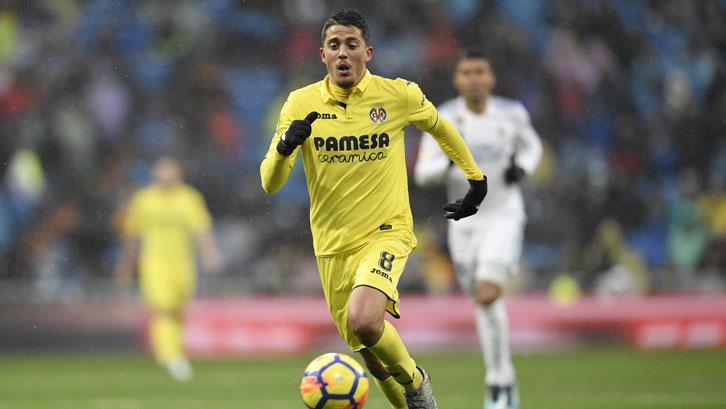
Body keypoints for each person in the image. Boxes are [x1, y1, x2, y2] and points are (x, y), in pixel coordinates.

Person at [260, 10, 487, 409]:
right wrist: (284, 148)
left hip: (387, 231)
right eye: (334, 46)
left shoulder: (397, 95)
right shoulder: (300, 103)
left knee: (365, 322)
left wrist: (476, 179)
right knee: (370, 351)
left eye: (351, 45)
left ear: (368, 52)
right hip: (332, 246)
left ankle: (417, 382)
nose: (343, 53)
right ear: (322, 55)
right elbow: (270, 182)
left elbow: (440, 125)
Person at [414, 50, 542, 409]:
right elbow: (423, 172)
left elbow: (533, 148)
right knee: (483, 302)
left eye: (479, 71)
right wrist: (447, 165)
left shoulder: (512, 114)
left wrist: (523, 168)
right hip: (464, 223)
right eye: (466, 72)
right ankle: (503, 381)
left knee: (487, 292)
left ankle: (497, 382)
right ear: (457, 80)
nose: (473, 78)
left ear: (491, 79)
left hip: (504, 215)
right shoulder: (443, 117)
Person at [115, 157, 222, 381]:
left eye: (170, 172)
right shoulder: (144, 200)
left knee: (178, 310)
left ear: (178, 174)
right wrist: (126, 264)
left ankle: (173, 352)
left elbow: (201, 229)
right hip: (154, 263)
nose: (166, 177)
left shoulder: (190, 198)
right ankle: (170, 356)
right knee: (161, 308)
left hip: (183, 263)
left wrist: (209, 254)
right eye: (162, 172)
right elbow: (132, 234)